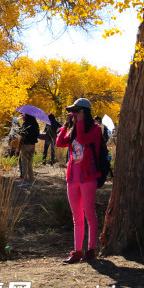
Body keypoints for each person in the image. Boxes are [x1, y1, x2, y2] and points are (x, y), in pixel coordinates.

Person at [56, 97, 103, 263]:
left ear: (84, 112)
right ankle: (77, 251)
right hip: (72, 178)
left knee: (89, 213)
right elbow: (59, 142)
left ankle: (91, 249)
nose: (73, 114)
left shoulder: (96, 130)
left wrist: (81, 122)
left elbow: (83, 140)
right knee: (77, 216)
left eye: (76, 111)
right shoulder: (74, 130)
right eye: (72, 112)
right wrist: (66, 125)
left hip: (88, 177)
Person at [18, 113, 40, 184]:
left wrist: (19, 129)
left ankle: (24, 180)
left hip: (25, 145)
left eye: (23, 115)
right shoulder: (35, 124)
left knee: (24, 163)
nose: (22, 116)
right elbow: (37, 134)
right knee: (30, 163)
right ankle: (31, 180)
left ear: (27, 116)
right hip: (32, 145)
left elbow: (22, 134)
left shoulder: (26, 123)